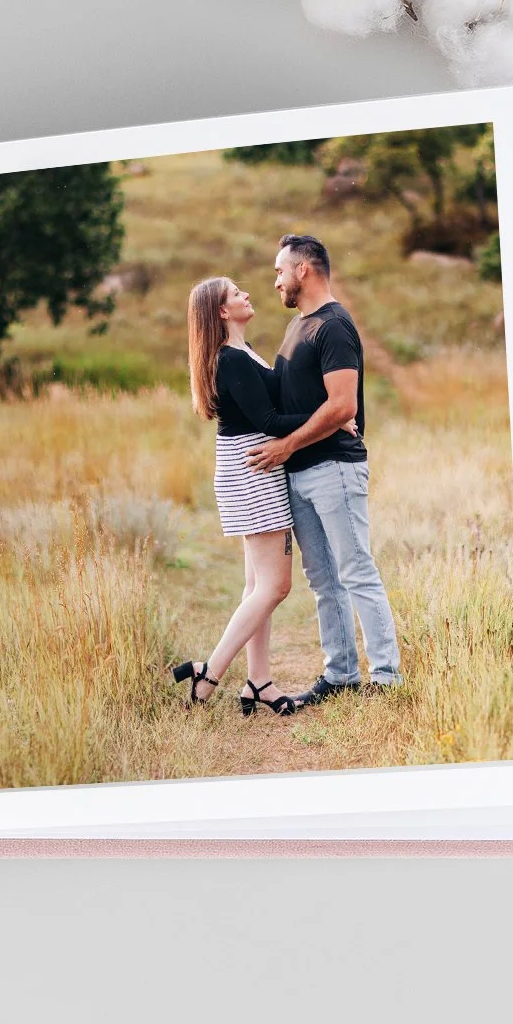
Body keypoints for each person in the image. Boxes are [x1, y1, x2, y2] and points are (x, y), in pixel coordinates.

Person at [245, 234, 402, 707]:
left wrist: (286, 445)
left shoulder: (334, 327)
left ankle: (386, 677)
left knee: (356, 570)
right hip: (299, 473)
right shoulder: (298, 327)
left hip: (334, 468)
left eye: (279, 271)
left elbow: (341, 406)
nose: (275, 281)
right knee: (323, 579)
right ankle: (340, 674)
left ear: (303, 271)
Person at [170, 275, 311, 715]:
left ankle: (259, 682)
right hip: (252, 471)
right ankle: (209, 672)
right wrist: (330, 418)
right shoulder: (230, 359)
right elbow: (269, 420)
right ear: (221, 312)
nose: (247, 293)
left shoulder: (240, 352)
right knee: (275, 585)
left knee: (257, 586)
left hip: (249, 469)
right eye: (236, 293)